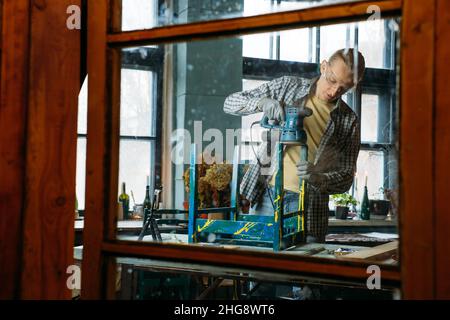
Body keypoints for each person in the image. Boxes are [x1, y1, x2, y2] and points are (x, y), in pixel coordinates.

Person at [224, 48, 365, 243]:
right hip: (267, 196)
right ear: (324, 66)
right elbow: (229, 103)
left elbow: (346, 176)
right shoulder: (287, 86)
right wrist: (261, 103)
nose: (334, 91)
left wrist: (318, 177)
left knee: (301, 270)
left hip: (311, 209)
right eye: (332, 80)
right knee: (259, 263)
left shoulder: (349, 121)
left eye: (344, 88)